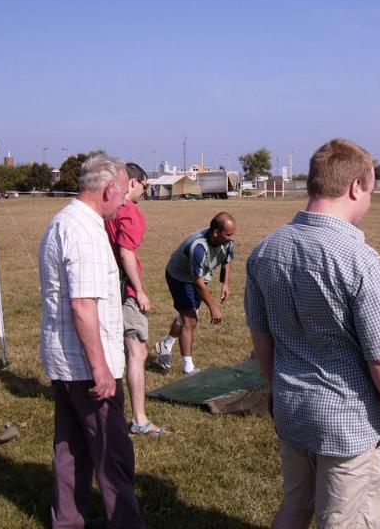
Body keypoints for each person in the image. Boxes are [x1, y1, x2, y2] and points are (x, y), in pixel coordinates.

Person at [244, 138, 380, 529]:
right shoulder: (360, 260)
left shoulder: (264, 251)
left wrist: (275, 386)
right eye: (371, 192)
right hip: (349, 424)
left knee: (295, 504)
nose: (369, 202)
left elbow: (262, 337)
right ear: (355, 187)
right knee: (345, 520)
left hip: (293, 409)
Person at [38, 154, 144, 529]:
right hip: (87, 366)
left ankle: (67, 519)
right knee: (112, 452)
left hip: (65, 361)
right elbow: (83, 305)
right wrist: (100, 368)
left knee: (71, 448)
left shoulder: (64, 221)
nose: (125, 199)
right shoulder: (83, 230)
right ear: (109, 188)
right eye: (124, 190)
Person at [104, 162, 164, 437]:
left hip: (106, 287)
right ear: (131, 183)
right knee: (137, 352)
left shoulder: (107, 211)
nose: (145, 191)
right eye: (144, 185)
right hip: (124, 290)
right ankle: (139, 420)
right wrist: (139, 291)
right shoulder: (130, 212)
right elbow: (126, 252)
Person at [154, 212, 236, 375]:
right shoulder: (198, 247)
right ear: (215, 233)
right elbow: (197, 283)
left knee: (190, 314)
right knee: (190, 320)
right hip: (179, 276)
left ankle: (166, 344)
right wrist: (213, 307)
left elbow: (227, 260)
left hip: (200, 274)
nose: (231, 238)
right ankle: (188, 368)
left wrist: (225, 284)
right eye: (228, 234)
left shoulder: (226, 240)